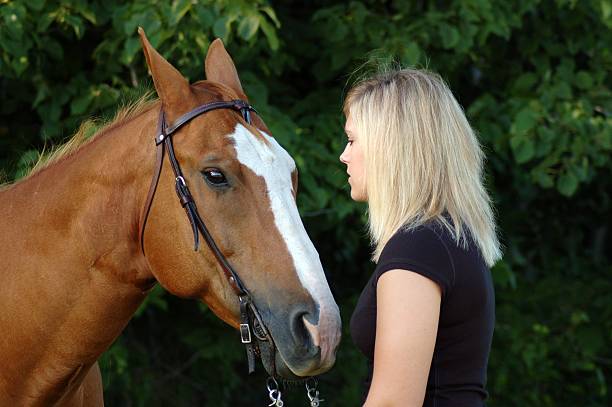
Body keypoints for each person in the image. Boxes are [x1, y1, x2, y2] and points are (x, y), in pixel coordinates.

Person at [340, 67, 502, 407]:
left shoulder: (420, 247)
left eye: (353, 140)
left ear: (390, 147)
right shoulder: (446, 239)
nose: (344, 155)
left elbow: (394, 403)